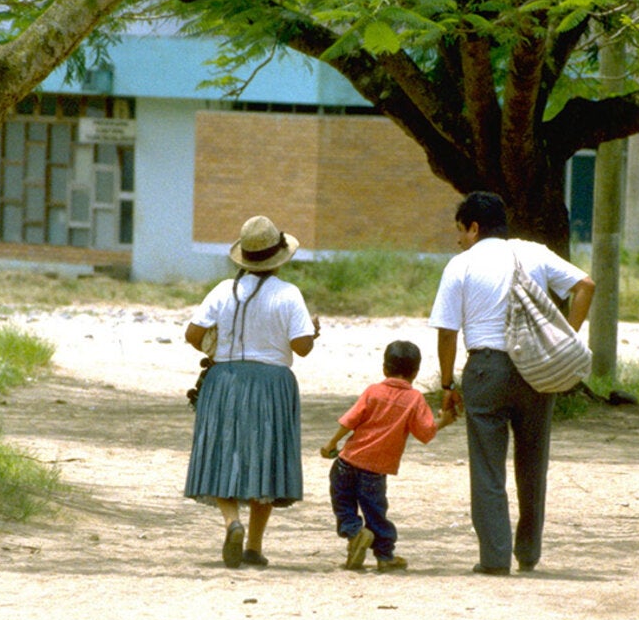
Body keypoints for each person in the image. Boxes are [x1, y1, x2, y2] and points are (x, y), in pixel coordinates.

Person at [428, 191, 595, 575]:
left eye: (460, 230)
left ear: (473, 227)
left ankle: (494, 557)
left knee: (488, 467)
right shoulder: (533, 253)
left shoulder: (461, 265)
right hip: (537, 369)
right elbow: (586, 285)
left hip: (487, 369)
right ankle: (529, 552)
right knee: (533, 464)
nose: (458, 239)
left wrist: (449, 385)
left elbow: (447, 332)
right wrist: (566, 338)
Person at [184, 215, 319, 569]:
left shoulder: (220, 291)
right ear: (279, 257)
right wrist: (314, 332)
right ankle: (255, 547)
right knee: (266, 459)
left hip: (224, 380)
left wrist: (221, 351)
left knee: (221, 454)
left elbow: (192, 335)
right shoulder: (289, 295)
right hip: (272, 382)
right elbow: (301, 347)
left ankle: (232, 523)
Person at [320, 341, 456, 572]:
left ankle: (355, 533)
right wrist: (443, 420)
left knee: (343, 505)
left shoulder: (373, 391)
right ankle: (384, 556)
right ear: (415, 372)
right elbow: (425, 433)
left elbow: (349, 421)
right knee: (375, 513)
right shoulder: (414, 400)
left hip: (347, 462)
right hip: (375, 471)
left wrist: (331, 443)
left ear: (384, 368)